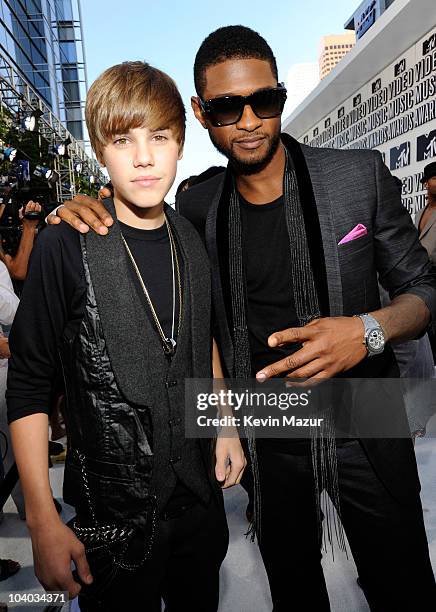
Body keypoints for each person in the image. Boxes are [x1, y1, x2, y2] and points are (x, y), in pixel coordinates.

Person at [45, 27, 436, 611]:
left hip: (361, 408)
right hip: (265, 420)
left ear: (279, 96)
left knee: (403, 586)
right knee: (294, 589)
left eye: (265, 101)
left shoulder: (357, 175)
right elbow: (137, 219)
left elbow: (423, 289)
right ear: (202, 115)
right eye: (228, 107)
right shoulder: (198, 205)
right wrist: (73, 210)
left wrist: (366, 330)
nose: (249, 119)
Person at [7, 61, 245, 612]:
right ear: (98, 149)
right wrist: (42, 518)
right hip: (111, 521)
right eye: (122, 140)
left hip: (198, 510)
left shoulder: (191, 236)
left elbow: (199, 336)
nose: (143, 157)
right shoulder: (64, 246)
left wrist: (227, 427)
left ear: (181, 142)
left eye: (158, 137)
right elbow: (29, 385)